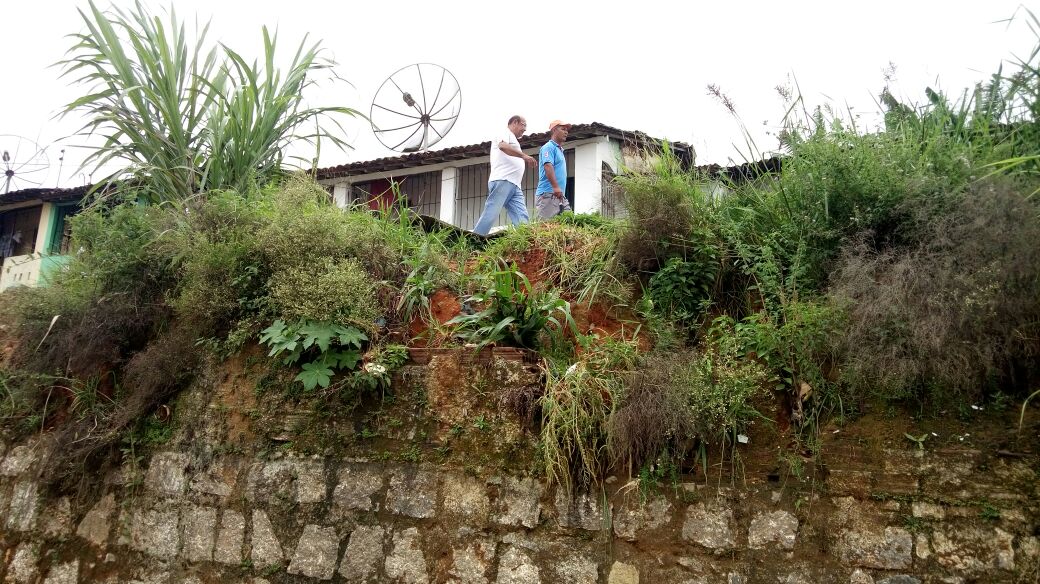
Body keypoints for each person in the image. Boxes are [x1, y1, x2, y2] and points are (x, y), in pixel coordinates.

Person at [472, 115, 536, 235]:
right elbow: (502, 146)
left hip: (514, 184)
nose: (525, 129)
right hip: (503, 180)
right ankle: (475, 239)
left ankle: (527, 240)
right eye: (524, 125)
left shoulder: (513, 138)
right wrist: (524, 156)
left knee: (521, 215)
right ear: (515, 122)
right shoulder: (504, 132)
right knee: (492, 212)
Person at [536, 120, 572, 220]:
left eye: (567, 130)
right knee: (545, 227)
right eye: (563, 129)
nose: (566, 132)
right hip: (548, 194)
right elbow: (548, 166)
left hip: (559, 194)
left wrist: (557, 190)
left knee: (569, 221)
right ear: (554, 130)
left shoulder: (559, 149)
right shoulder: (548, 147)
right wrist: (555, 187)